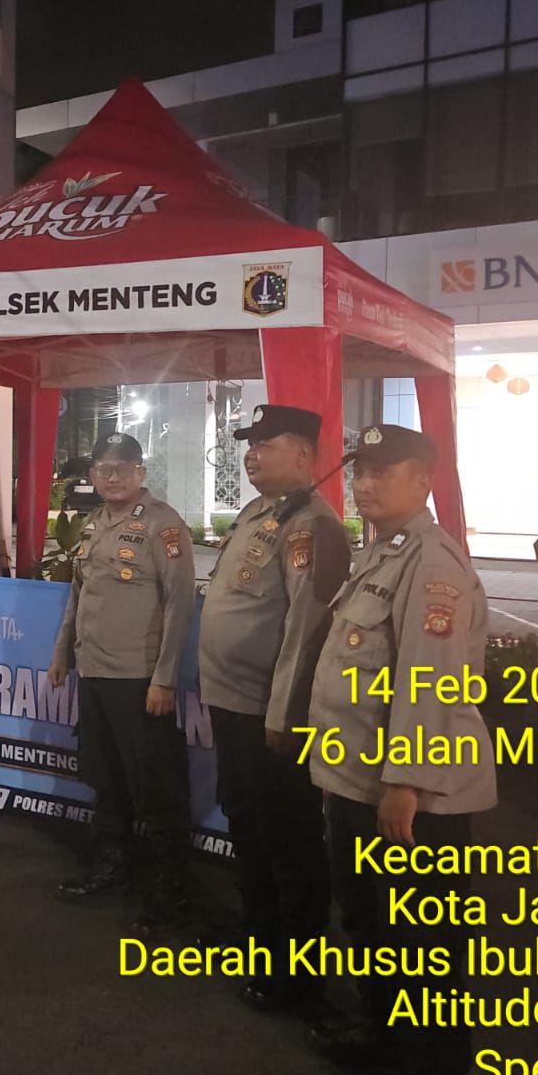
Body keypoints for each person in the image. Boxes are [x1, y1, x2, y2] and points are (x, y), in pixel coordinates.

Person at [306, 424, 496, 1075]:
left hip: (411, 798)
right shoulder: (383, 551)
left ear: (422, 481)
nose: (363, 485)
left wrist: (406, 782)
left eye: (381, 473)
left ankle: (431, 1073)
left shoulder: (431, 563)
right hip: (361, 781)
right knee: (372, 922)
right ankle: (385, 1039)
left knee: (423, 943)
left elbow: (431, 679)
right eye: (359, 472)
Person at [197, 404, 349, 1013]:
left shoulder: (313, 527)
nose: (251, 453)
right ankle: (261, 938)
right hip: (232, 703)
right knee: (247, 825)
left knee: (289, 841)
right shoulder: (260, 513)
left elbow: (306, 631)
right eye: (249, 443)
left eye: (266, 443)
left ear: (305, 454)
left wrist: (283, 715)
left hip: (270, 715)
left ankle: (298, 973)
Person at [47, 432, 196, 932]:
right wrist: (62, 654)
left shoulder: (162, 526)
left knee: (156, 790)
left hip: (139, 681)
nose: (111, 477)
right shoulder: (93, 524)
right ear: (92, 475)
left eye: (122, 468)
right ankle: (113, 867)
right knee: (105, 779)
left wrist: (164, 679)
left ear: (140, 473)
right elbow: (78, 595)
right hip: (94, 673)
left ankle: (170, 896)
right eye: (102, 469)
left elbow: (179, 605)